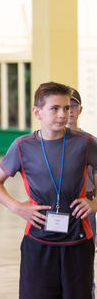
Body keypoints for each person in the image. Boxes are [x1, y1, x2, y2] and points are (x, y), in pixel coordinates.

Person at [0, 82, 97, 299]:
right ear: (37, 112)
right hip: (37, 241)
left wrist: (95, 204)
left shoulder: (85, 142)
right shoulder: (22, 145)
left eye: (66, 108)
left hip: (78, 240)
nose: (62, 114)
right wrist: (18, 208)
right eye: (54, 108)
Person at [66, 88, 97, 298]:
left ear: (80, 109)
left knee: (84, 265)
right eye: (63, 106)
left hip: (85, 209)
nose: (68, 111)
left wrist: (93, 204)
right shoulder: (46, 141)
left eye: (73, 106)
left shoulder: (90, 142)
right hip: (58, 209)